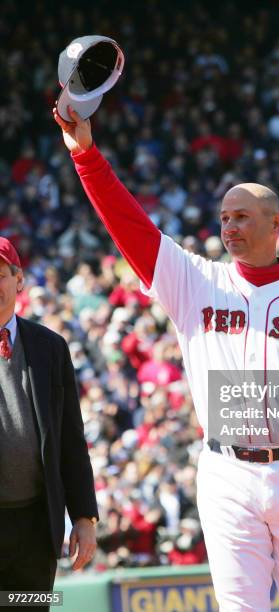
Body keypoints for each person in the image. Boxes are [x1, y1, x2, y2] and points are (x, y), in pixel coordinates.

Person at [54, 106, 279, 611]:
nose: (230, 226)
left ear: (276, 223)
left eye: (242, 216)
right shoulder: (197, 282)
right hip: (226, 471)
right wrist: (85, 154)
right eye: (224, 218)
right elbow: (129, 225)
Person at [0, 236, 98, 606]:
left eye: (0, 275)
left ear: (19, 279)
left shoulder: (49, 347)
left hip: (35, 529)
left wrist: (85, 517)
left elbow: (71, 439)